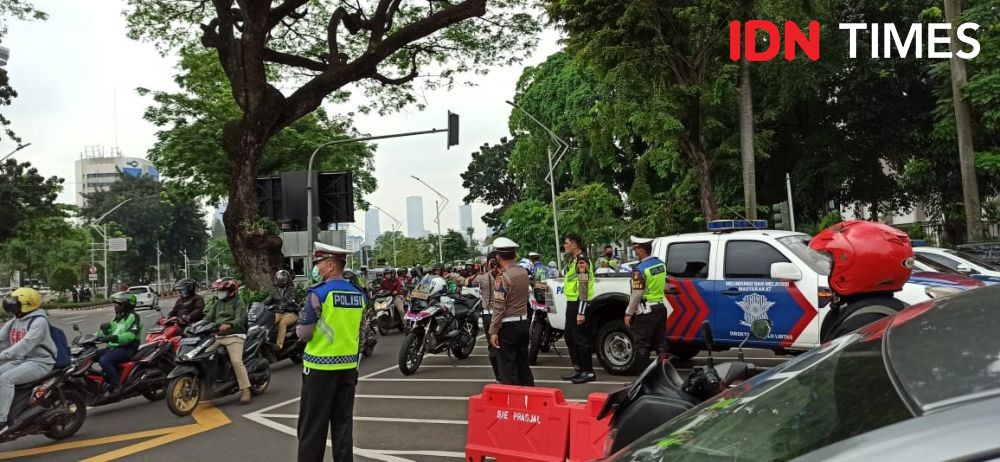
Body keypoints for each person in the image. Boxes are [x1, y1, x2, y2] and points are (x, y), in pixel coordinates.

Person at [296, 242, 365, 462]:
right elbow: (361, 332)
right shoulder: (358, 295)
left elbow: (303, 333)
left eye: (319, 263)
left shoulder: (319, 294)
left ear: (331, 265)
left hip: (319, 368)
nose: (317, 268)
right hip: (347, 368)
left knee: (312, 428)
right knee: (342, 426)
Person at [810, 220, 914, 343]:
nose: (829, 268)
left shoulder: (860, 326)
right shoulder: (902, 310)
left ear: (860, 266)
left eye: (833, 263)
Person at [0, 288, 55, 431]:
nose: (12, 307)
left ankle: (2, 420)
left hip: (41, 362)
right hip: (22, 360)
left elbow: (25, 345)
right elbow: (1, 339)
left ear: (27, 304)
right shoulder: (15, 320)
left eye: (14, 304)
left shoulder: (39, 321)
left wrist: (3, 356)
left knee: (6, 379)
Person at [488, 238, 535, 387]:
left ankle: (514, 404)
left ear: (498, 257)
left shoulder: (503, 278)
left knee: (508, 370)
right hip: (523, 324)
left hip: (507, 328)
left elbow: (499, 307)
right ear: (514, 255)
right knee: (523, 367)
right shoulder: (523, 272)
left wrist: (493, 331)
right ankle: (530, 399)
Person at [203, 278, 252, 404]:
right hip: (218, 337)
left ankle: (246, 390)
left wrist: (229, 324)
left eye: (223, 290)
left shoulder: (238, 302)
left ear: (231, 291)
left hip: (234, 336)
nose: (220, 292)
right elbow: (208, 318)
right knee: (204, 355)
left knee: (236, 362)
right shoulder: (217, 303)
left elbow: (240, 319)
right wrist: (196, 325)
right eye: (219, 290)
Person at [623, 236, 668, 372]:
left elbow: (637, 293)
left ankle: (642, 380)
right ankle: (663, 375)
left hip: (646, 311)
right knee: (660, 343)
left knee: (641, 345)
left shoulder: (639, 269)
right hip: (660, 308)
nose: (635, 252)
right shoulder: (660, 264)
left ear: (642, 250)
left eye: (636, 249)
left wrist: (628, 313)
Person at [562, 233, 596, 384]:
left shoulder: (582, 261)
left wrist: (581, 311)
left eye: (566, 243)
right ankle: (578, 369)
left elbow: (583, 286)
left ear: (575, 244)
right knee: (569, 337)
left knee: (580, 339)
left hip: (579, 303)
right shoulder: (573, 261)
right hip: (571, 303)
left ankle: (588, 372)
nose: (565, 245)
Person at [94, 292, 143, 396]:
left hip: (127, 348)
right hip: (114, 347)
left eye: (118, 303)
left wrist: (115, 338)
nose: (115, 306)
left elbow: (131, 335)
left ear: (126, 305)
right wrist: (102, 331)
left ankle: (116, 385)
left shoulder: (134, 317)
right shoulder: (117, 317)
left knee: (104, 360)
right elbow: (108, 332)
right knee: (90, 356)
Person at [475, 251, 501, 381]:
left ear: (488, 263)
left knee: (493, 346)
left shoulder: (482, 278)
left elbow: (467, 281)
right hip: (503, 315)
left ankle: (499, 376)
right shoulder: (504, 276)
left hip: (488, 316)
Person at [262, 270, 300, 349]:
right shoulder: (275, 291)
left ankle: (279, 345)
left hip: (290, 313)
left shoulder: (292, 290)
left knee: (283, 323)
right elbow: (268, 300)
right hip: (278, 313)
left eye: (283, 280)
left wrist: (283, 305)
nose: (281, 281)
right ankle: (267, 340)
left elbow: (291, 300)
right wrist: (261, 305)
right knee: (269, 321)